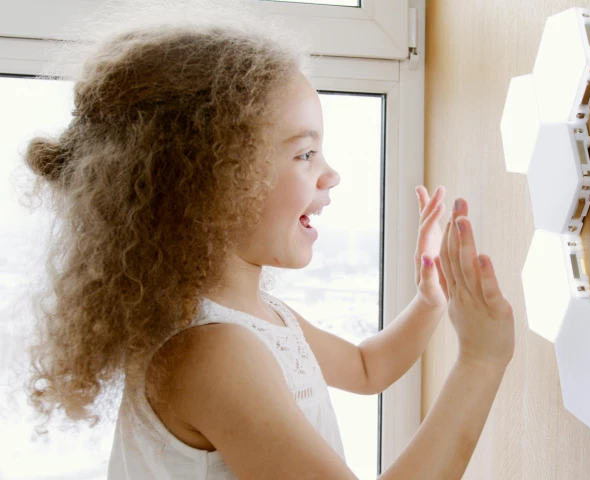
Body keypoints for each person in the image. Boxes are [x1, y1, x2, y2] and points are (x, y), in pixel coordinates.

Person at [23, 1, 515, 478]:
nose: (332, 175)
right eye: (305, 154)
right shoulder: (212, 351)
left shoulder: (256, 318)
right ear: (210, 179)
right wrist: (481, 359)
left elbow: (367, 369)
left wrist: (430, 301)